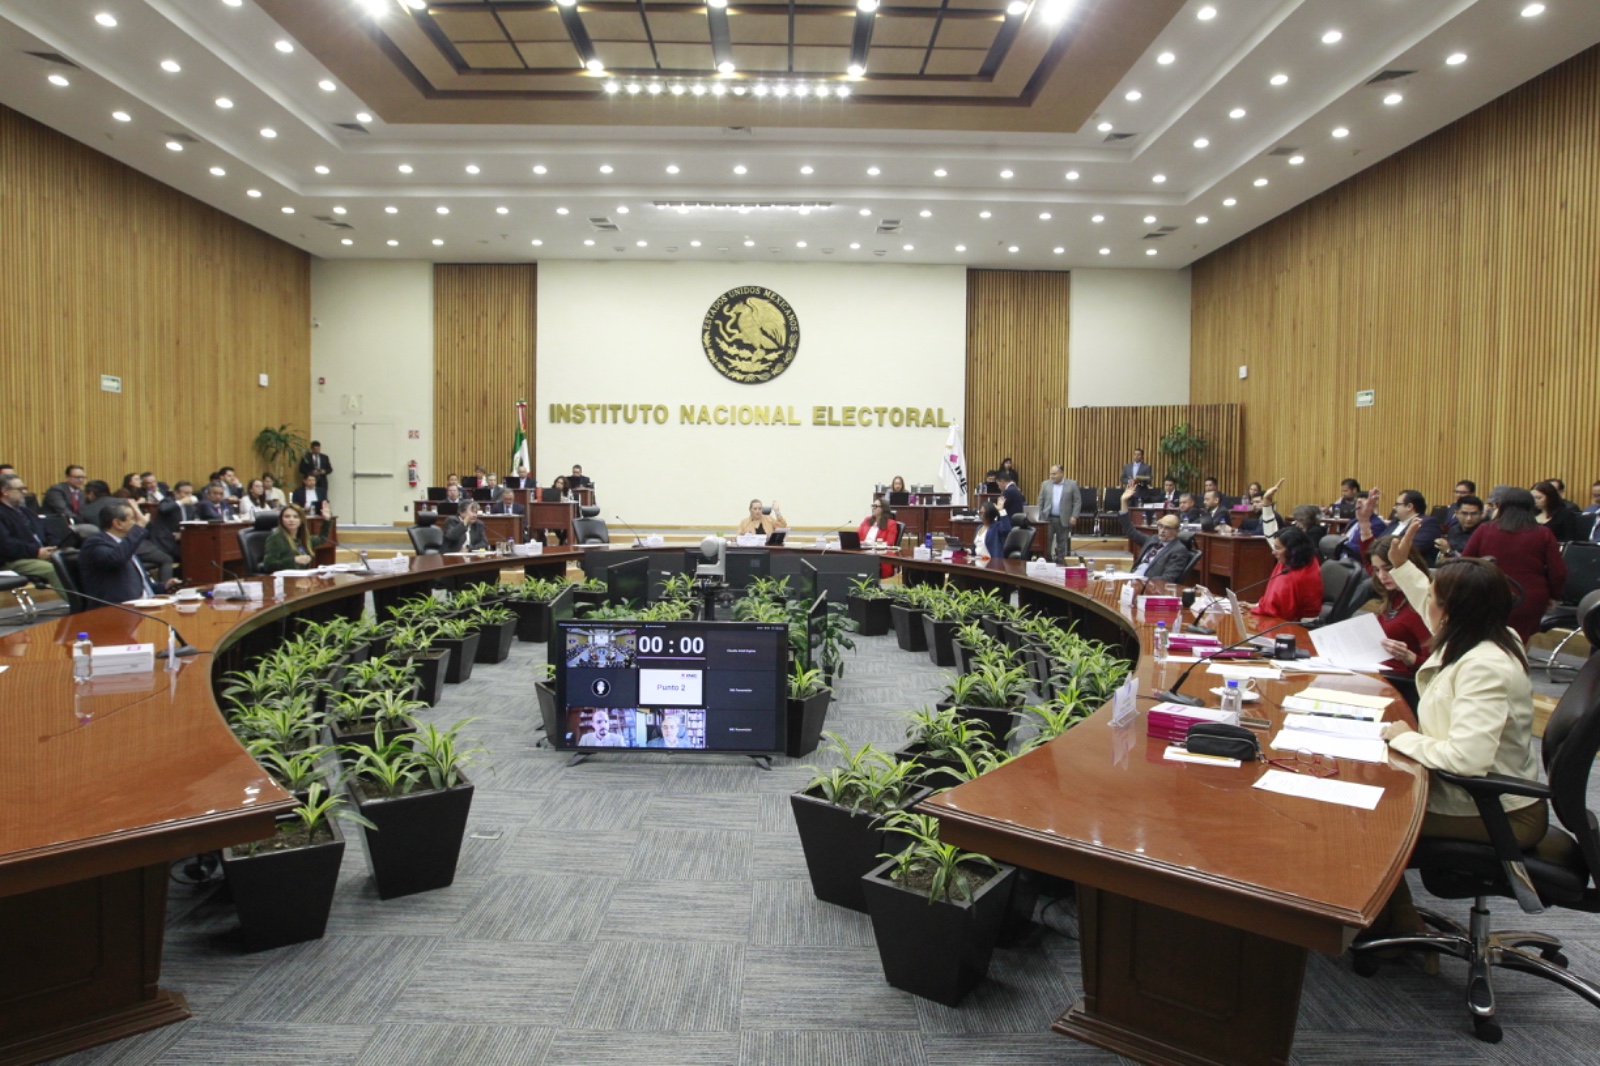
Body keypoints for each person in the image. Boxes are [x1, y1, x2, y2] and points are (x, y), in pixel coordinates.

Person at [1372, 522, 1547, 942]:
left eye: (1433, 598)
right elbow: (1428, 599)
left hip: (1499, 812)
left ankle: (1393, 928)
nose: (1425, 603)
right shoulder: (1489, 632)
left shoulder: (1483, 666)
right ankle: (1396, 924)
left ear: (1449, 610)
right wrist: (1402, 567)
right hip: (1480, 796)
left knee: (1370, 816)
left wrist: (1401, 736)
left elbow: (1467, 760)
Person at [1464, 487, 1566, 642]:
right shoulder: (1543, 533)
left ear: (1501, 506)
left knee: (1489, 641)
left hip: (1489, 594)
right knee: (1521, 641)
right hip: (1530, 597)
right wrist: (1553, 596)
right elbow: (1558, 572)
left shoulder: (1485, 529)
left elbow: (1466, 561)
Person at [1368, 533, 1432, 677]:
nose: (1382, 576)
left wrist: (1409, 657)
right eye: (1377, 570)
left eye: (1388, 568)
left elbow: (1434, 668)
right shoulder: (1394, 595)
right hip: (1379, 669)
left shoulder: (1422, 604)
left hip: (1401, 680)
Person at [79, 500, 165, 602]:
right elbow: (116, 559)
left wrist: (164, 586)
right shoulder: (95, 543)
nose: (136, 523)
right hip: (119, 610)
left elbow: (140, 585)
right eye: (133, 519)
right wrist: (139, 527)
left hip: (145, 604)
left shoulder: (124, 545)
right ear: (118, 523)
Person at [0, 473, 65, 593]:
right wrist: (36, 551)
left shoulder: (25, 512)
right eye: (20, 489)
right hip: (13, 561)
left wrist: (53, 546)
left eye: (25, 488)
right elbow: (6, 545)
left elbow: (47, 530)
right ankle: (78, 605)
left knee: (73, 561)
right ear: (5, 491)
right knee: (52, 569)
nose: (24, 492)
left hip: (39, 554)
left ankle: (97, 603)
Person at [1247, 527, 1323, 620]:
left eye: (1278, 548)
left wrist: (1257, 609)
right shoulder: (1293, 562)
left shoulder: (1299, 576)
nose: (1273, 553)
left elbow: (1284, 614)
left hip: (1300, 625)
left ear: (1293, 550)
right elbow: (1275, 600)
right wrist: (1257, 605)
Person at [1120, 483, 1190, 582]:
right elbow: (1130, 531)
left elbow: (1168, 578)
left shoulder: (1178, 550)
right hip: (1133, 579)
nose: (1162, 530)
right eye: (1160, 526)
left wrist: (1143, 582)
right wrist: (1123, 501)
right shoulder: (1153, 539)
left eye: (1167, 528)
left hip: (1147, 586)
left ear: (1177, 531)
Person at [1035, 465, 1081, 564]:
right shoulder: (1045, 484)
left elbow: (1077, 502)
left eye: (1054, 474)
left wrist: (1074, 516)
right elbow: (1040, 501)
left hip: (1064, 518)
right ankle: (1047, 560)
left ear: (1062, 473)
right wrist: (1040, 516)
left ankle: (1060, 560)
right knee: (1047, 540)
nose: (1052, 476)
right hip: (1048, 518)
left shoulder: (1072, 484)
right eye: (1051, 474)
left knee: (1062, 541)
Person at [262, 504, 328, 572]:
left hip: (302, 578)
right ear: (281, 519)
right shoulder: (276, 538)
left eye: (296, 517)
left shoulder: (302, 538)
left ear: (301, 520)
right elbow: (268, 565)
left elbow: (322, 539)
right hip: (285, 580)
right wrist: (294, 560)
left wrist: (327, 520)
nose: (291, 520)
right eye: (287, 516)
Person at [1436, 494, 1485, 559]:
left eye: (1474, 514)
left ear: (1481, 514)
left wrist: (1448, 551)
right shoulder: (1453, 529)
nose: (1469, 518)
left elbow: (1474, 562)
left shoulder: (1485, 533)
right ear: (1457, 513)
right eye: (1464, 513)